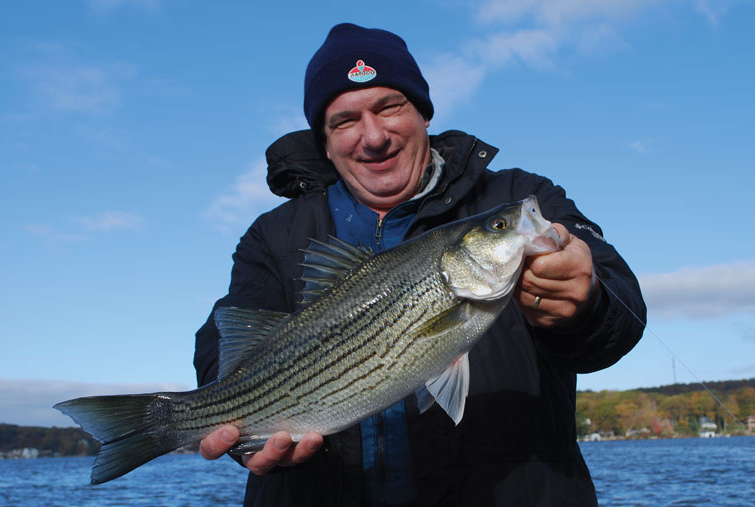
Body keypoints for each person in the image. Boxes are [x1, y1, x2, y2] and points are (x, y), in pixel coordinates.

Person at [193, 22, 645, 506]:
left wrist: (589, 300)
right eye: (344, 121)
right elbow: (225, 342)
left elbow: (622, 307)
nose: (373, 136)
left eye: (390, 107)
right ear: (324, 143)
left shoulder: (515, 197)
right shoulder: (274, 234)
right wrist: (246, 427)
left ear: (424, 114)